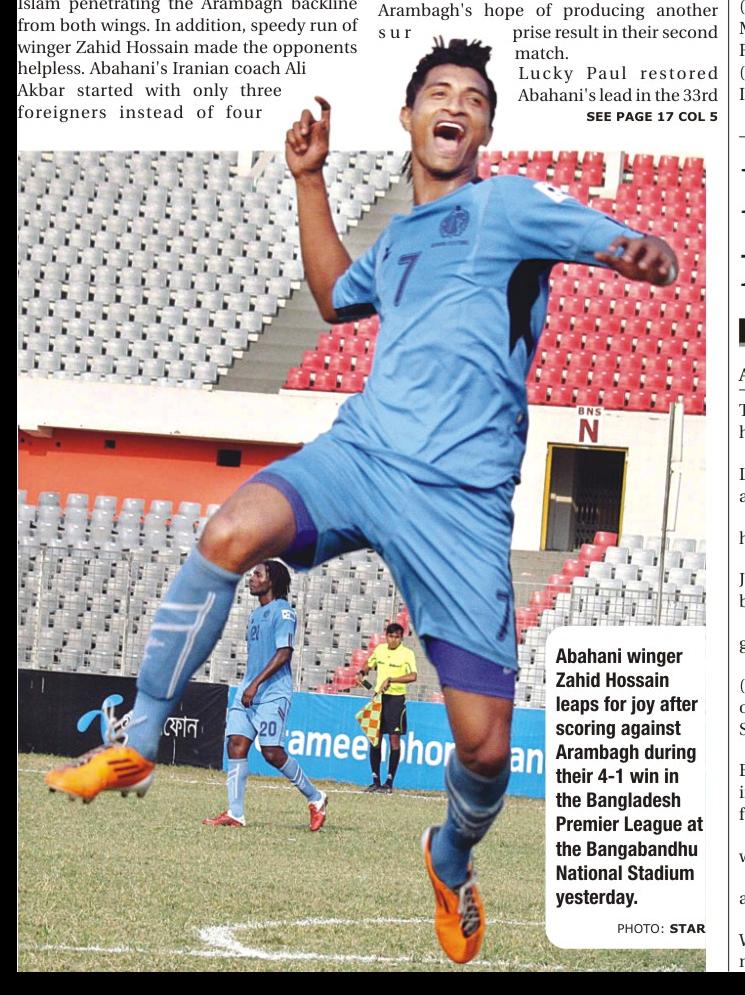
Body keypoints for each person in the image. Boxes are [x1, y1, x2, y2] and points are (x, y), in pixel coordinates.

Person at [46, 38, 677, 964]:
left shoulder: (506, 205)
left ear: (485, 129)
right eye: (438, 92)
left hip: (459, 504)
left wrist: (637, 251)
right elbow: (337, 295)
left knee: (486, 750)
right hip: (364, 453)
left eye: (472, 97)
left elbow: (604, 236)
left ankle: (448, 856)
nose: (453, 104)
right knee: (227, 533)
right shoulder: (402, 239)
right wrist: (309, 179)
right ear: (409, 117)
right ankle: (137, 739)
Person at [202, 560, 327, 831]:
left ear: (272, 581)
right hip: (249, 689)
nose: (252, 578)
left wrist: (256, 684)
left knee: (271, 753)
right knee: (236, 744)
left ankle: (316, 798)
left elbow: (284, 653)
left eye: (258, 575)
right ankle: (236, 813)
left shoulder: (284, 612)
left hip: (272, 692)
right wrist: (250, 685)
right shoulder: (255, 615)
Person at [356, 622, 417, 793]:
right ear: (386, 636)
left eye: (397, 637)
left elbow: (413, 676)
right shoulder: (380, 650)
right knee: (375, 738)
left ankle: (389, 782)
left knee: (394, 740)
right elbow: (369, 664)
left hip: (396, 700)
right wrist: (362, 673)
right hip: (378, 699)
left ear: (401, 638)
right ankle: (375, 780)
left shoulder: (407, 653)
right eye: (390, 636)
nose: (393, 640)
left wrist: (392, 680)